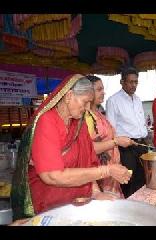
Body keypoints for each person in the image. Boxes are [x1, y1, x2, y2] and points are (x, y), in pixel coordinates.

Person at [10, 74, 131, 220]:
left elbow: (86, 164)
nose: (87, 109)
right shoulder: (47, 121)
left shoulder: (79, 124)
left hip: (76, 203)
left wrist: (96, 193)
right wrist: (106, 170)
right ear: (69, 96)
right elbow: (52, 176)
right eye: (84, 102)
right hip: (47, 205)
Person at [85, 75, 134, 198]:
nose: (103, 92)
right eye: (99, 89)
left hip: (111, 174)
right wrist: (116, 142)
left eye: (103, 89)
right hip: (99, 175)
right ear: (87, 92)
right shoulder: (85, 117)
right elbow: (88, 148)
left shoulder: (99, 113)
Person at [106, 67, 148, 198]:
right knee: (128, 180)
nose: (133, 85)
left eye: (136, 82)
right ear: (122, 82)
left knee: (144, 179)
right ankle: (129, 206)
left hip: (141, 145)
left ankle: (142, 206)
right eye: (130, 82)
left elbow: (141, 123)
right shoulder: (113, 101)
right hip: (126, 148)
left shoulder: (138, 99)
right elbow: (110, 128)